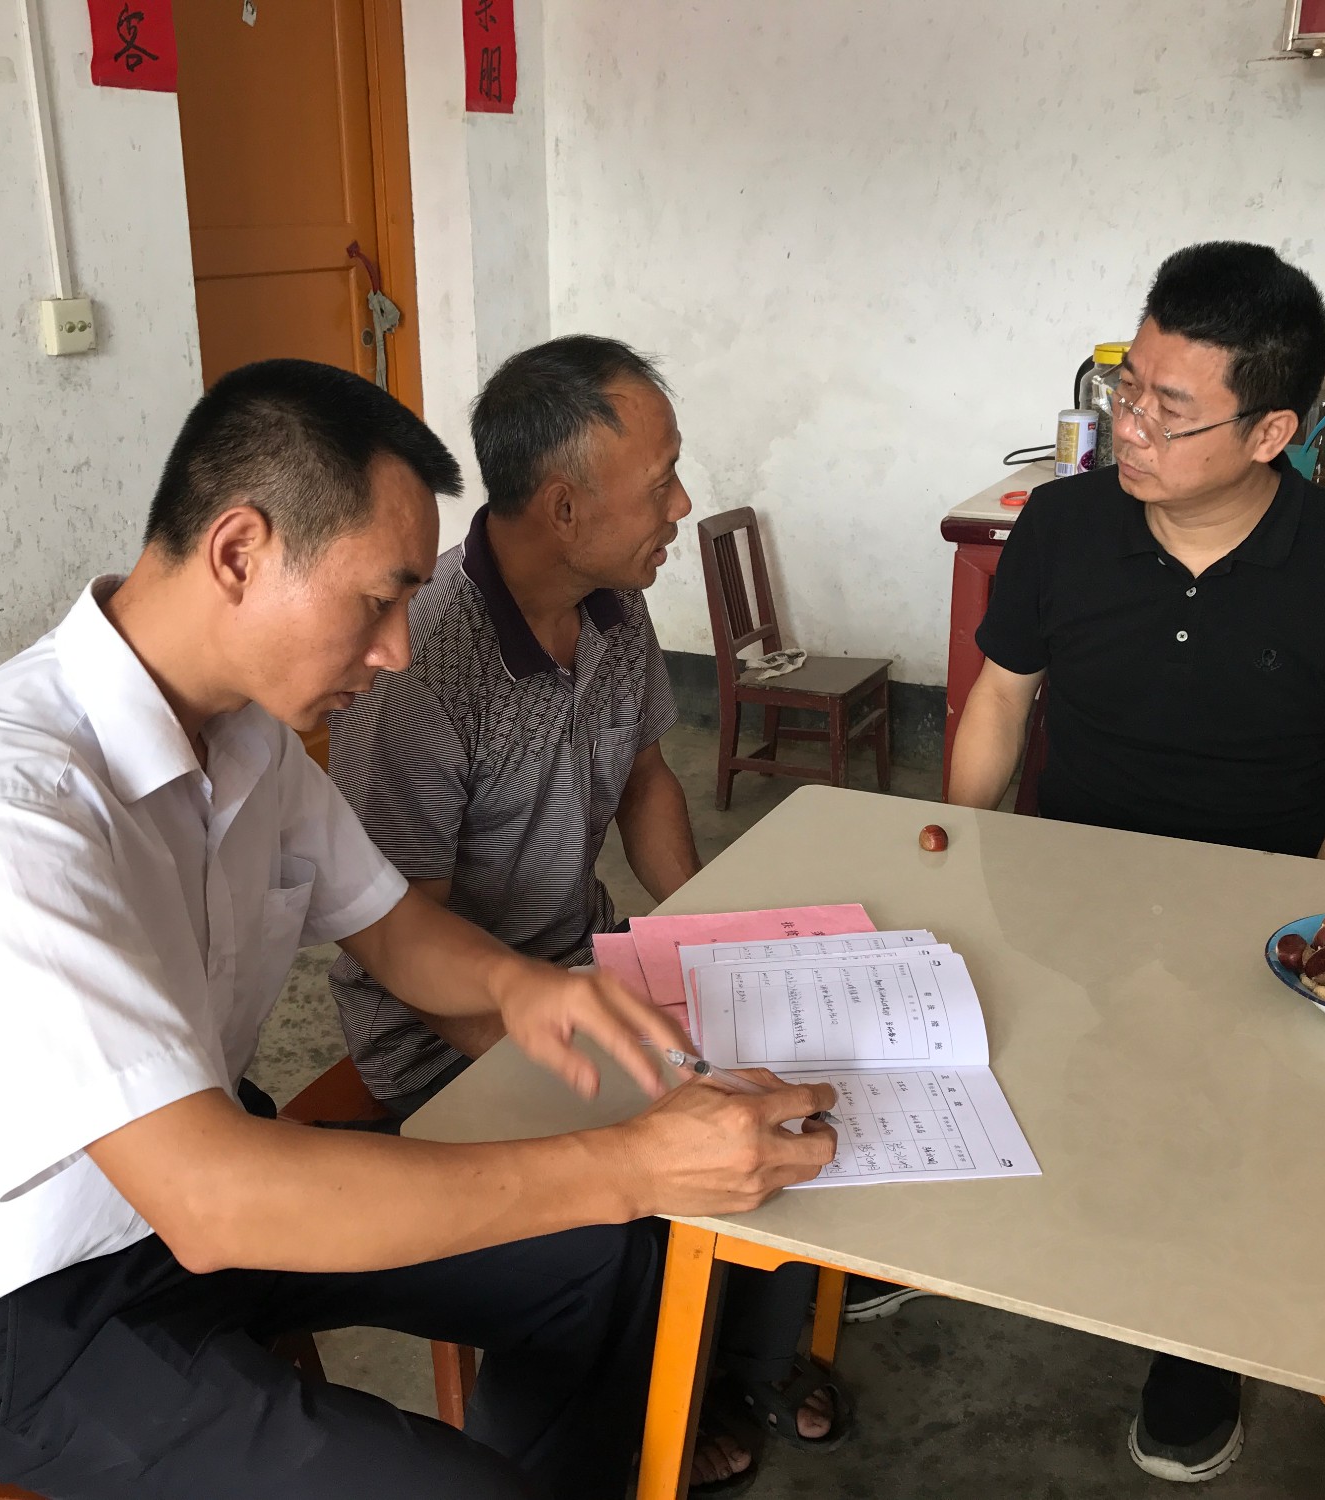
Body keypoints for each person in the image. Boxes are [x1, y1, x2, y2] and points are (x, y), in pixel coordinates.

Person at [0, 357, 838, 1500]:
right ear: (238, 553)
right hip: (32, 1307)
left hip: (203, 1202)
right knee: (581, 1268)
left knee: (602, 1264)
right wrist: (629, 1162)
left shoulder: (247, 739)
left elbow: (395, 930)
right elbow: (215, 1201)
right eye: (378, 600)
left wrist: (525, 991)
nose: (399, 647)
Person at [327, 335, 846, 1492]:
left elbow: (646, 775)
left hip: (588, 964)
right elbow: (402, 941)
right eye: (659, 481)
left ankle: (737, 1364)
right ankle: (632, 1415)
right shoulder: (426, 669)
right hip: (441, 1029)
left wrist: (703, 928)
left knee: (787, 1067)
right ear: (564, 508)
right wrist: (580, 1082)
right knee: (641, 1185)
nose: (680, 506)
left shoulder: (612, 606)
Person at [947, 242, 1325, 1482]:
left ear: (1270, 431)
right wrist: (957, 854)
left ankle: (1194, 1336)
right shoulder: (1062, 524)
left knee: (1220, 1123)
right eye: (1126, 389)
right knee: (988, 1070)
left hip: (1257, 915)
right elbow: (999, 701)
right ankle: (950, 1250)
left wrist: (1296, 956)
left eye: (1169, 409)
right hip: (1067, 898)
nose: (1130, 428)